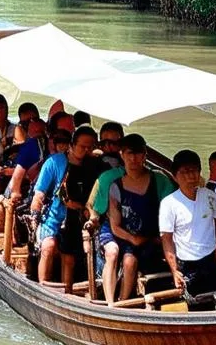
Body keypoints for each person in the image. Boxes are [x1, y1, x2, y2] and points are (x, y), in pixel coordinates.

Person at [31, 126, 103, 291]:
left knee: (69, 259)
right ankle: (43, 288)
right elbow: (39, 194)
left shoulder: (94, 166)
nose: (86, 151)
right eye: (82, 147)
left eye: (90, 147)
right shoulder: (54, 162)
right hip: (52, 219)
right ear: (72, 145)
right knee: (48, 246)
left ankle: (67, 291)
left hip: (78, 221)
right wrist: (34, 215)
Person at [159, 149, 216, 299]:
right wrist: (175, 271)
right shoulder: (169, 203)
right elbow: (167, 239)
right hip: (187, 264)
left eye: (194, 170)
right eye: (185, 172)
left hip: (211, 259)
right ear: (175, 176)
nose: (191, 176)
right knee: (194, 305)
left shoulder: (210, 196)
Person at [100, 134, 163, 304]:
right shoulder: (116, 186)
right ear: (122, 154)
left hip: (144, 235)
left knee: (129, 261)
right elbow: (115, 226)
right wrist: (133, 239)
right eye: (129, 153)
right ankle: (110, 303)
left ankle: (123, 301)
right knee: (112, 253)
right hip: (119, 233)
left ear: (144, 156)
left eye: (138, 154)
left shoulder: (157, 180)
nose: (133, 159)